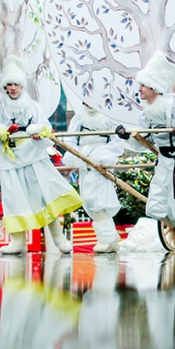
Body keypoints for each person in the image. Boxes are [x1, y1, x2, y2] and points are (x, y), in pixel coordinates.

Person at [0, 56, 83, 254]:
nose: (13, 88)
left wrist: (38, 134)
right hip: (10, 160)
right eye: (9, 84)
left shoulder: (33, 106)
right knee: (13, 201)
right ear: (5, 87)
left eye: (16, 84)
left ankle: (59, 240)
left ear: (22, 86)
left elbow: (48, 134)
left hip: (33, 158)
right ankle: (17, 242)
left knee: (45, 198)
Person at [115, 52, 175, 253]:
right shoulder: (147, 113)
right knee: (155, 207)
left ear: (154, 87)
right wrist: (128, 136)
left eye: (143, 85)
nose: (139, 89)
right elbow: (145, 140)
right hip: (165, 161)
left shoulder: (174, 104)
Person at [62, 102, 125, 253]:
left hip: (101, 163)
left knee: (95, 199)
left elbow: (117, 142)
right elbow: (70, 140)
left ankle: (107, 239)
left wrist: (100, 155)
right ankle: (110, 239)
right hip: (84, 163)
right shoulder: (78, 117)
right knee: (88, 202)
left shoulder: (110, 117)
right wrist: (80, 154)